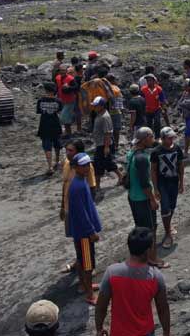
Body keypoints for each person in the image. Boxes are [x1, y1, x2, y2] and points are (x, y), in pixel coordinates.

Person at [95, 227, 171, 336]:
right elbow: (163, 308)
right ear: (148, 251)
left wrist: (99, 329)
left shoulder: (112, 273)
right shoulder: (155, 277)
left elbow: (101, 306)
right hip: (146, 332)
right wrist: (166, 333)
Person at [126, 127, 167, 268]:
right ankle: (152, 259)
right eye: (151, 137)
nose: (153, 139)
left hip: (133, 197)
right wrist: (152, 199)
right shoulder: (142, 158)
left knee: (140, 228)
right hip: (143, 199)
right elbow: (144, 183)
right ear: (144, 139)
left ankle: (141, 256)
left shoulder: (132, 153)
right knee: (150, 230)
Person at [67, 152, 102, 305]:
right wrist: (91, 231)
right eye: (84, 165)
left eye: (88, 164)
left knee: (82, 260)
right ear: (75, 167)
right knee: (88, 264)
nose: (87, 167)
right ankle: (89, 294)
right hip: (84, 234)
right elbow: (81, 213)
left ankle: (85, 285)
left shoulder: (80, 181)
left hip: (80, 232)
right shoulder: (78, 186)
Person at [60, 140, 97, 273]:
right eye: (67, 150)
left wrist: (90, 210)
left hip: (81, 210)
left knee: (84, 242)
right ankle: (80, 261)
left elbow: (92, 188)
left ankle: (83, 266)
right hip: (70, 208)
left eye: (71, 151)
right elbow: (64, 185)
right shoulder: (66, 164)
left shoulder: (86, 168)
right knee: (76, 239)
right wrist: (62, 206)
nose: (68, 153)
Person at [151, 127, 184, 249]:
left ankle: (168, 225)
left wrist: (181, 183)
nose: (171, 140)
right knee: (165, 207)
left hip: (174, 181)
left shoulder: (177, 149)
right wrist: (155, 188)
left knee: (172, 205)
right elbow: (153, 170)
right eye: (169, 138)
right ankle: (167, 233)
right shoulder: (156, 152)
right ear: (162, 138)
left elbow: (180, 166)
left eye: (172, 138)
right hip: (162, 183)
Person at [91, 97, 122, 188]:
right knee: (108, 163)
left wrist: (106, 147)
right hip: (100, 143)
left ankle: (97, 185)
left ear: (101, 106)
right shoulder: (99, 113)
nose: (94, 107)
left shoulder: (105, 117)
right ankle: (120, 176)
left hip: (104, 144)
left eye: (96, 106)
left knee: (98, 164)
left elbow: (108, 133)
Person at [36, 83, 63, 176]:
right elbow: (59, 111)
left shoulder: (40, 101)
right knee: (57, 144)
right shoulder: (58, 101)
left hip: (44, 125)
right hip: (55, 124)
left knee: (47, 146)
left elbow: (39, 111)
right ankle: (58, 161)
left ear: (46, 90)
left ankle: (50, 166)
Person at [141, 74, 166, 138]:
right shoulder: (143, 89)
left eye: (150, 80)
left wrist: (163, 109)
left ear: (154, 81)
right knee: (148, 124)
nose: (148, 82)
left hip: (156, 109)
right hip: (147, 110)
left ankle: (157, 137)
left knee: (157, 122)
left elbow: (162, 100)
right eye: (147, 80)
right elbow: (141, 100)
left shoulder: (158, 89)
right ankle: (150, 138)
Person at [56, 66, 77, 137]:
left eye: (64, 71)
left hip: (70, 100)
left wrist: (69, 87)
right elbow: (57, 87)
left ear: (66, 71)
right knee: (66, 118)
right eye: (61, 71)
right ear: (59, 71)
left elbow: (76, 87)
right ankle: (68, 133)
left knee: (63, 117)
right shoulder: (57, 77)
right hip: (61, 100)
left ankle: (68, 132)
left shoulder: (70, 79)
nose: (62, 72)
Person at [106, 74, 124, 154]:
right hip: (115, 113)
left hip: (106, 113)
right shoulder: (116, 89)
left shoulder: (103, 88)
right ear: (113, 80)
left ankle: (109, 145)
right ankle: (116, 145)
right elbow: (119, 105)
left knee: (108, 131)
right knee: (116, 130)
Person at [72, 64, 85, 133]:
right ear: (80, 70)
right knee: (78, 112)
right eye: (82, 68)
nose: (83, 70)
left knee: (79, 112)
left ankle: (79, 127)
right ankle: (79, 128)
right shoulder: (77, 78)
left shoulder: (77, 77)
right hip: (79, 96)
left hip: (79, 96)